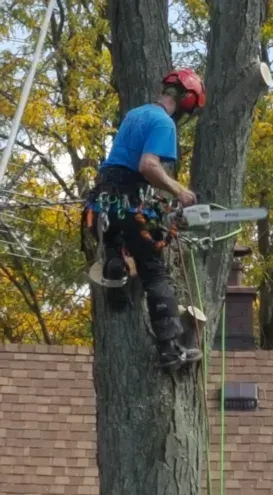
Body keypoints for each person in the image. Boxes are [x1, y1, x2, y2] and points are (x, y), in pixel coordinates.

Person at [86, 69, 206, 371]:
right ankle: (170, 348)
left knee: (116, 250)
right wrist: (180, 191)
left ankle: (116, 285)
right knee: (155, 272)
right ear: (187, 101)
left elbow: (126, 164)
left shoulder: (135, 114)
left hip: (103, 202)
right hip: (128, 202)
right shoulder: (164, 122)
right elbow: (148, 166)